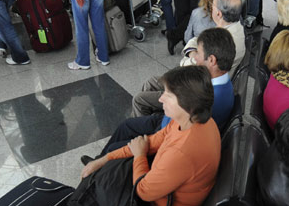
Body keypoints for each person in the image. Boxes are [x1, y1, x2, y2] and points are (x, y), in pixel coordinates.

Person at [81, 66, 221, 206]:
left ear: (187, 103)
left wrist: (139, 155)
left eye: (168, 95)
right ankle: (98, 167)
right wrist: (105, 159)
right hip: (162, 190)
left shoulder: (182, 152)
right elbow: (153, 140)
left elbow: (143, 191)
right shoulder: (193, 120)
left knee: (102, 196)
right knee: (112, 160)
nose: (160, 99)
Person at [94, 28, 236, 156]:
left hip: (165, 131)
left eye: (198, 53)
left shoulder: (210, 97)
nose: (194, 57)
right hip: (167, 124)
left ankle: (101, 163)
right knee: (126, 126)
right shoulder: (221, 85)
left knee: (115, 146)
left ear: (211, 60)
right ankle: (100, 160)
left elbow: (174, 130)